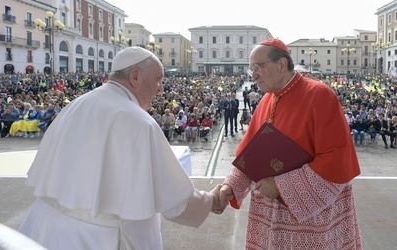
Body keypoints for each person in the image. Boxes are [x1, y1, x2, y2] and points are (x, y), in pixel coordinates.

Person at [19, 46, 223, 250]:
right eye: (158, 80)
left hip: (43, 228)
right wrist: (212, 200)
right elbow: (177, 202)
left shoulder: (78, 103)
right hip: (97, 238)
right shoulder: (139, 122)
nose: (161, 88)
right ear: (135, 76)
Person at [216, 38, 361, 249]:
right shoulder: (266, 100)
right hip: (269, 216)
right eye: (251, 70)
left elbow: (336, 159)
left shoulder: (319, 95)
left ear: (281, 64)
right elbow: (250, 153)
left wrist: (280, 186)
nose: (253, 74)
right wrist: (231, 186)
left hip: (311, 222)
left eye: (258, 67)